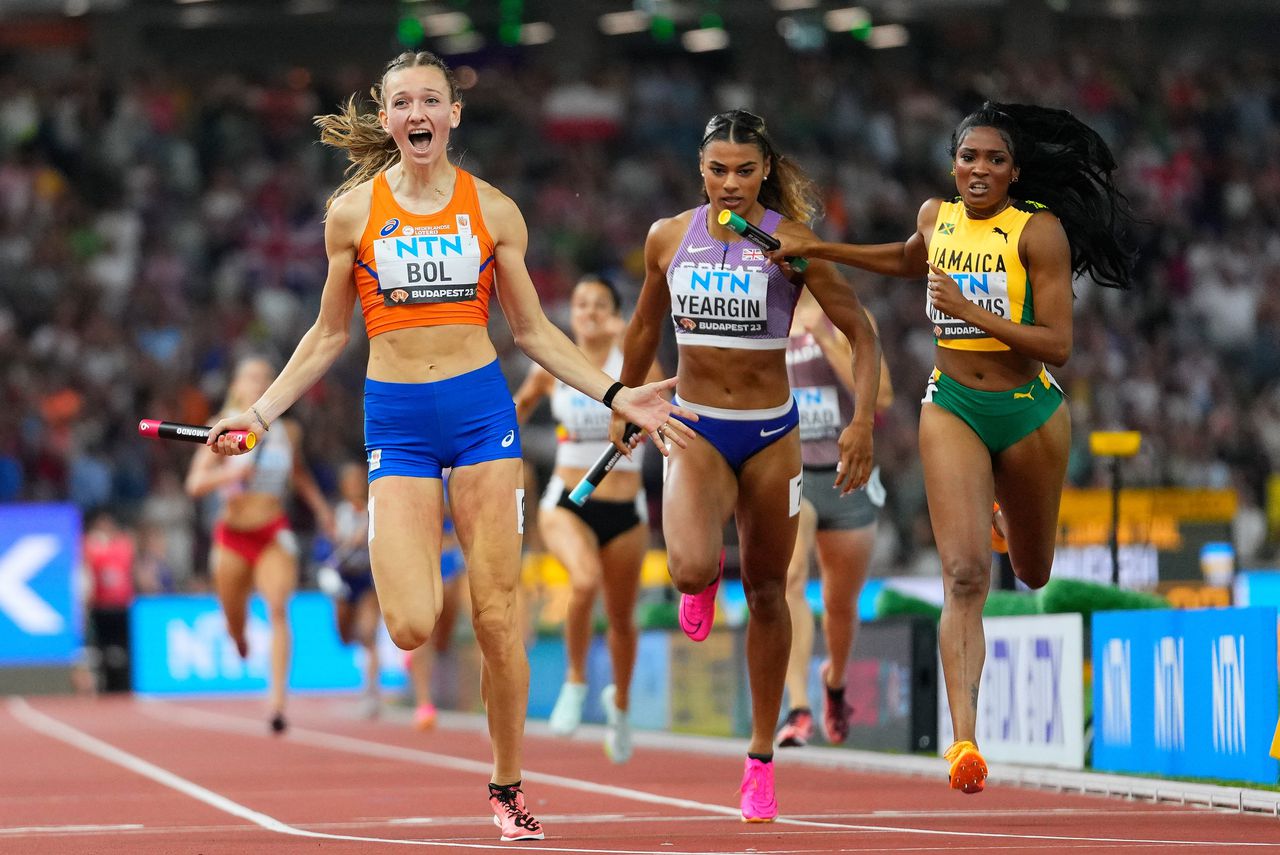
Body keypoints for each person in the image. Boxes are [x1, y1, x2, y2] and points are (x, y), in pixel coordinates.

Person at [203, 50, 692, 843]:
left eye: (433, 98)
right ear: (389, 117)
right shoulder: (352, 215)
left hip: (480, 416)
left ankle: (507, 786)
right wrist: (258, 416)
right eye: (404, 102)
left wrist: (613, 392)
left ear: (453, 115)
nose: (419, 112)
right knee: (409, 623)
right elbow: (329, 333)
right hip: (395, 421)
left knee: (497, 617)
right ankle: (418, 590)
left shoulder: (493, 211)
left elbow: (532, 331)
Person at [767, 101, 1135, 794]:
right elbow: (904, 261)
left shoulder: (1039, 232)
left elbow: (1058, 343)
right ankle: (965, 740)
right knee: (965, 577)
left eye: (995, 160)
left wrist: (973, 312)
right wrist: (820, 249)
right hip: (953, 404)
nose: (980, 169)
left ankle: (1001, 503)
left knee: (1031, 568)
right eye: (969, 157)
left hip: (1028, 411)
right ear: (953, 162)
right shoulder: (937, 217)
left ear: (1015, 171)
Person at [615, 109, 881, 822]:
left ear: (766, 171)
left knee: (769, 592)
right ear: (699, 170)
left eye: (743, 170)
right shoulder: (669, 236)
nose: (729, 184)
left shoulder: (790, 241)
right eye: (717, 170)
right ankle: (698, 585)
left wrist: (861, 422)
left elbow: (859, 329)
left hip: (771, 436)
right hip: (696, 426)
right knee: (691, 567)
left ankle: (760, 755)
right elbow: (644, 323)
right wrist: (626, 396)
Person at [513, 274, 656, 764]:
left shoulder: (634, 364)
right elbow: (516, 410)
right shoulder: (554, 365)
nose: (589, 312)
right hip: (567, 500)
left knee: (621, 619)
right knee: (584, 580)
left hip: (625, 507)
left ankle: (619, 706)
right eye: (580, 304)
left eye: (600, 304)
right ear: (569, 315)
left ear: (615, 314)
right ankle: (575, 681)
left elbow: (663, 412)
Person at [186, 355, 334, 734]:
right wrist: (230, 477)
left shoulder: (287, 432)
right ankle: (238, 636)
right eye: (251, 377)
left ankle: (278, 703)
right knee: (235, 620)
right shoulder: (217, 429)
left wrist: (320, 508)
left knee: (279, 608)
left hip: (272, 531)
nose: (258, 384)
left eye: (265, 379)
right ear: (236, 387)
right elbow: (194, 485)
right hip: (233, 536)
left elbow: (298, 474)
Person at [776, 290, 894, 748]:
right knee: (791, 577)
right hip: (790, 469)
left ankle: (836, 680)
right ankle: (799, 708)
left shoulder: (848, 314)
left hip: (847, 474)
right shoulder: (763, 312)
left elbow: (880, 396)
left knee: (840, 603)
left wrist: (826, 336)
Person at [318, 461, 382, 719]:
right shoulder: (337, 514)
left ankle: (371, 692)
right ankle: (362, 642)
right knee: (345, 636)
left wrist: (367, 534)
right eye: (351, 481)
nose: (355, 485)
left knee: (368, 634)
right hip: (344, 580)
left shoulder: (374, 511)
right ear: (344, 487)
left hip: (367, 578)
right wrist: (339, 542)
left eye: (359, 480)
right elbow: (323, 550)